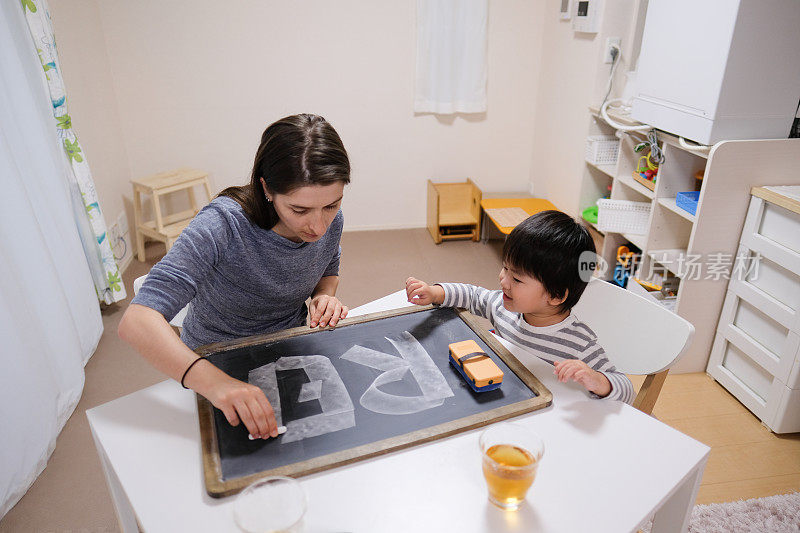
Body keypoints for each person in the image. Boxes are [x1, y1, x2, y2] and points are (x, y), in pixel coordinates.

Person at [119, 113, 351, 439]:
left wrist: (325, 295)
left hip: (289, 345)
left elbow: (327, 267)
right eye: (299, 210)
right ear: (267, 188)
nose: (318, 226)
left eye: (332, 205)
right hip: (218, 359)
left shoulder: (329, 219)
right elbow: (136, 321)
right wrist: (215, 383)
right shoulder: (223, 226)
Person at [405, 210, 635, 403]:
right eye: (505, 268)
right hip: (505, 398)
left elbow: (627, 391)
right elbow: (473, 296)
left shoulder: (579, 343)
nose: (502, 280)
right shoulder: (503, 308)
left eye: (516, 279)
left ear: (555, 296)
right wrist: (435, 292)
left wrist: (598, 381)